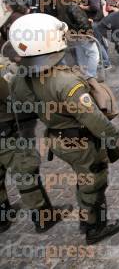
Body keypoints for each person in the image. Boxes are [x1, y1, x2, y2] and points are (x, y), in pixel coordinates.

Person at [8, 13, 119, 244]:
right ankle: (95, 227)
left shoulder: (19, 79)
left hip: (55, 137)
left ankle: (86, 217)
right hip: (80, 141)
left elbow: (25, 110)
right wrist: (116, 138)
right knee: (93, 181)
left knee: (83, 177)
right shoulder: (65, 81)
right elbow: (91, 116)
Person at [0, 54, 72, 234]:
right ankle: (43, 217)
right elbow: (13, 98)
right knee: (26, 172)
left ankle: (3, 215)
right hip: (7, 131)